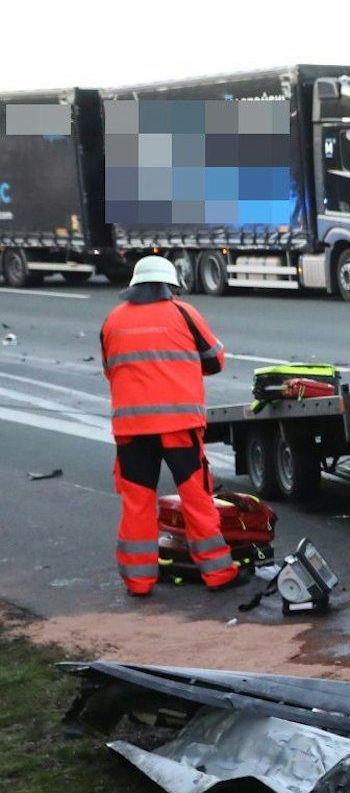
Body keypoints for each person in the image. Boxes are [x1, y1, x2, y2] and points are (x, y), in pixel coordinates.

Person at [101, 255, 238, 595]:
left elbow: (111, 368)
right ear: (170, 286)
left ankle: (138, 580)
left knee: (137, 502)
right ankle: (218, 573)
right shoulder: (183, 313)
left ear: (132, 288)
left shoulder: (113, 321)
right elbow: (215, 359)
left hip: (132, 429)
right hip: (179, 425)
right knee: (196, 497)